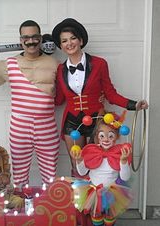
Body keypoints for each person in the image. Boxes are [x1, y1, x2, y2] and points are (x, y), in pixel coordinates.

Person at [0, 20, 60, 188]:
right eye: (26, 37)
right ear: (21, 40)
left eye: (35, 37)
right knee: (19, 174)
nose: (31, 41)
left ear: (41, 38)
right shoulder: (8, 64)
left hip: (47, 126)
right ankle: (20, 206)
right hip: (19, 127)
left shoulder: (55, 64)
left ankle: (48, 209)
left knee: (50, 174)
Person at [51, 18, 149, 177]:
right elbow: (59, 100)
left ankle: (98, 198)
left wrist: (134, 104)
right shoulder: (60, 69)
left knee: (97, 163)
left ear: (81, 40)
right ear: (60, 46)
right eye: (64, 40)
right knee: (77, 163)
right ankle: (81, 200)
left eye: (73, 38)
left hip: (97, 119)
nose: (69, 43)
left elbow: (110, 94)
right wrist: (41, 90)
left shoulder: (99, 63)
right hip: (71, 121)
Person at [71, 113, 133, 226]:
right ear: (97, 137)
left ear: (117, 137)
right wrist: (79, 160)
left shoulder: (119, 153)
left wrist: (123, 161)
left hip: (112, 192)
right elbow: (82, 172)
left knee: (110, 216)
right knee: (96, 215)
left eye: (110, 136)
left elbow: (125, 177)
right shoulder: (91, 152)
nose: (106, 139)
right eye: (102, 136)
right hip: (93, 191)